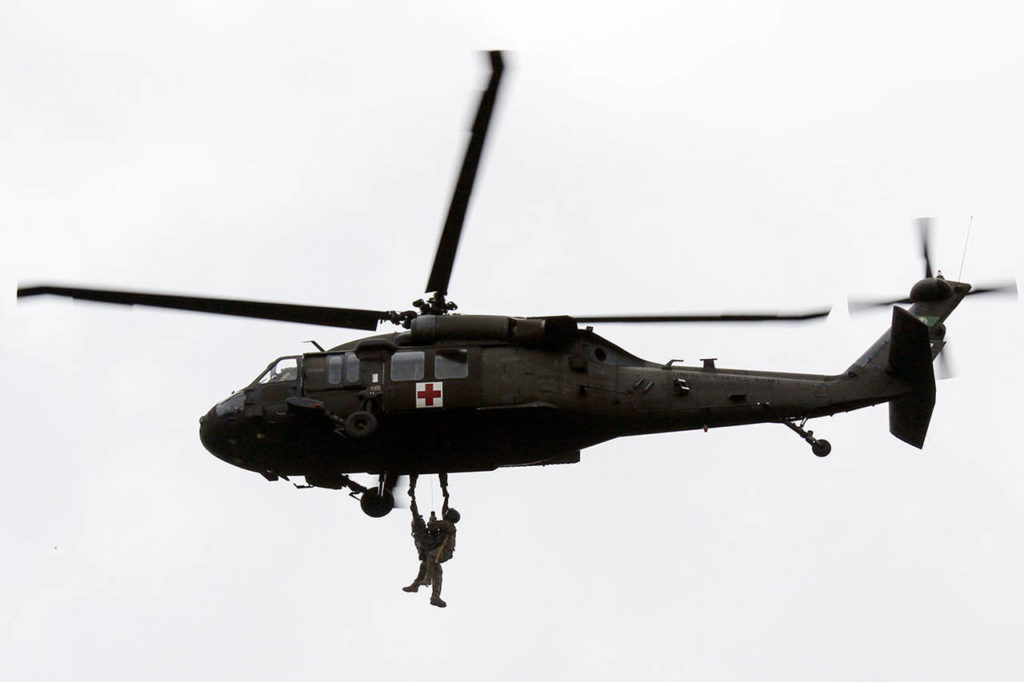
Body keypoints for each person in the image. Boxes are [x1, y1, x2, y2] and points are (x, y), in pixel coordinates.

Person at [402, 474, 459, 608]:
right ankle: (434, 595)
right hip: (437, 550)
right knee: (432, 567)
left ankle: (426, 579)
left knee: (431, 557)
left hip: (443, 551)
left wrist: (432, 522)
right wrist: (445, 496)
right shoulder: (424, 529)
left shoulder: (448, 525)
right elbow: (419, 516)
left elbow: (435, 523)